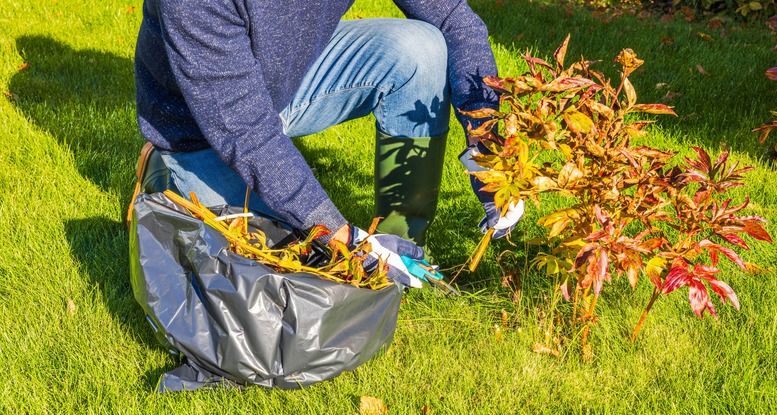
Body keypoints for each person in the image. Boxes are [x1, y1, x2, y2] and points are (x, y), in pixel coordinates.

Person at [133, 0, 524, 288]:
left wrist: (488, 144)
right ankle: (165, 167)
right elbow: (246, 133)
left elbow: (455, 18)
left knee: (420, 50)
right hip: (202, 128)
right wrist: (343, 238)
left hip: (287, 81)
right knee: (281, 270)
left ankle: (400, 250)